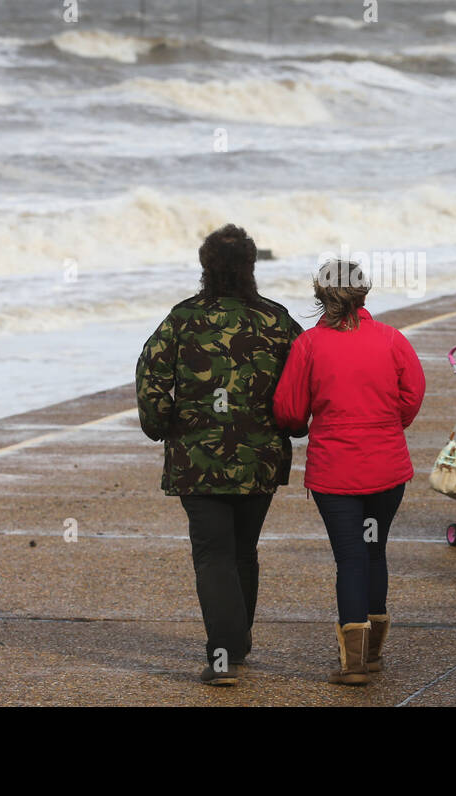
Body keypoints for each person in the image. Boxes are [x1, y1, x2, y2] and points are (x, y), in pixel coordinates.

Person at [135, 224, 303, 686]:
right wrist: (294, 425)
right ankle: (237, 643)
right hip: (260, 456)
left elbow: (149, 373)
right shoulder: (276, 320)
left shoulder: (183, 317)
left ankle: (225, 655)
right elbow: (305, 377)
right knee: (243, 552)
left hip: (197, 457)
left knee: (214, 555)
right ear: (250, 266)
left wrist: (161, 424)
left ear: (205, 267)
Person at [273, 260, 425, 684]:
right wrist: (388, 425)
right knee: (374, 551)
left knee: (350, 558)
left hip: (335, 473)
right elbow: (412, 394)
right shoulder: (392, 340)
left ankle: (354, 663)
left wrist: (304, 423)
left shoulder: (309, 345)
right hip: (387, 468)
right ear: (364, 294)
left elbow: (288, 409)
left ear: (321, 295)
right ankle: (372, 655)